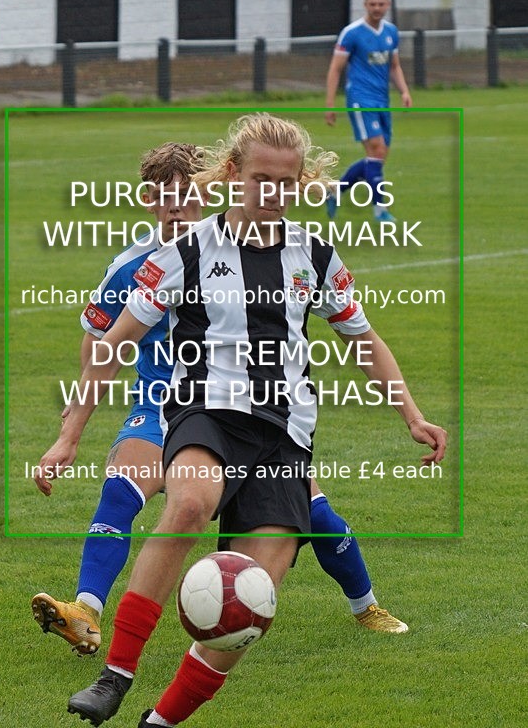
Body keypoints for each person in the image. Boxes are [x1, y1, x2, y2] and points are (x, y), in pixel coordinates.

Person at [38, 115, 446, 727]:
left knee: (252, 595)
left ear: (301, 182)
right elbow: (113, 341)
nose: (273, 194)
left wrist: (411, 414)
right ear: (232, 174)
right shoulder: (184, 252)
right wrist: (69, 435)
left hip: (284, 433)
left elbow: (364, 337)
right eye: (261, 179)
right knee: (191, 501)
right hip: (205, 412)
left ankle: (162, 720)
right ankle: (115, 675)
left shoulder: (315, 255)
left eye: (286, 183)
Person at [324, 0, 412, 223]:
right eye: (372, 4)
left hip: (382, 101)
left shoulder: (391, 32)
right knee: (377, 151)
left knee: (378, 157)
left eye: (381, 4)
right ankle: (380, 210)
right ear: (365, 5)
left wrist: (404, 91)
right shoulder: (351, 33)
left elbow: (394, 65)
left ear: (388, 4)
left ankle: (335, 191)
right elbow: (335, 68)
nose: (376, 8)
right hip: (360, 100)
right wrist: (330, 104)